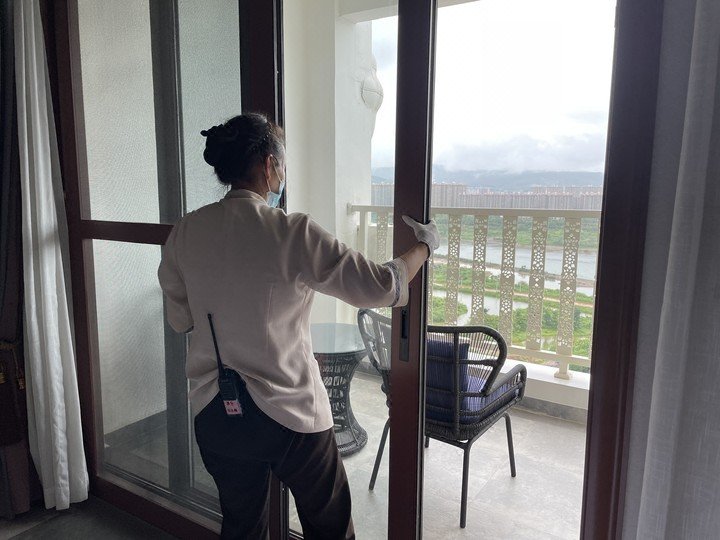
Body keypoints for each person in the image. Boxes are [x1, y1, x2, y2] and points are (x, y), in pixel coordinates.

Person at [158, 112, 439, 540]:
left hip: (216, 412)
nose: (283, 174)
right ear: (270, 165)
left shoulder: (185, 231)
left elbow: (180, 320)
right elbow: (382, 286)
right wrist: (425, 245)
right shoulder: (291, 232)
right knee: (329, 526)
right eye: (283, 164)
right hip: (289, 411)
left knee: (242, 527)